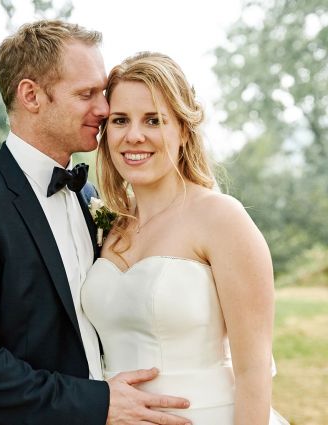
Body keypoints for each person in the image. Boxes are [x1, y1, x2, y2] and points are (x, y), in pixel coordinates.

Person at [0, 21, 191, 425]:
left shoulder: (90, 199)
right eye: (86, 94)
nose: (103, 109)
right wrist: (95, 403)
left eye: (102, 93)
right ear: (31, 95)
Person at [81, 52, 289, 424]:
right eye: (120, 120)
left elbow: (253, 373)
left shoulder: (222, 219)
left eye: (153, 120)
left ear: (182, 129)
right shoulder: (108, 224)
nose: (134, 136)